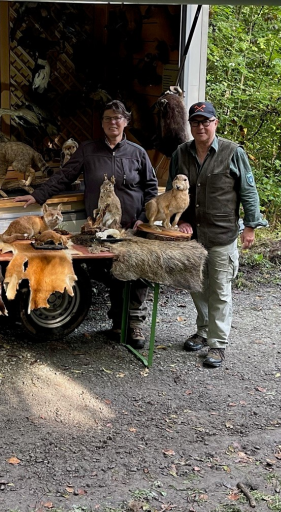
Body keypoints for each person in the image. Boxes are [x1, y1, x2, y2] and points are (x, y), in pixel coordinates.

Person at [15, 100, 159, 347]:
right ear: (102, 123)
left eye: (117, 118)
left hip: (131, 226)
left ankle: (133, 326)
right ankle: (117, 324)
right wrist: (38, 195)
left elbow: (151, 189)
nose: (112, 122)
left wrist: (144, 220)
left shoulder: (138, 153)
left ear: (126, 122)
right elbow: (64, 176)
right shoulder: (88, 150)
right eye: (107, 118)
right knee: (113, 274)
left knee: (136, 276)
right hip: (100, 229)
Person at [169, 100, 268, 369]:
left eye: (206, 122)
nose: (200, 127)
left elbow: (249, 191)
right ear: (190, 126)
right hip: (192, 235)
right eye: (195, 122)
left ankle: (217, 344)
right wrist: (179, 222)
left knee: (220, 289)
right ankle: (203, 331)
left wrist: (250, 225)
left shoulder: (233, 152)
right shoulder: (181, 153)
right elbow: (171, 194)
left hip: (222, 233)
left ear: (215, 123)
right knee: (195, 285)